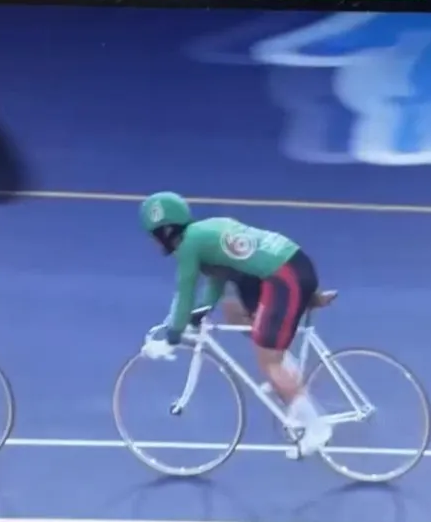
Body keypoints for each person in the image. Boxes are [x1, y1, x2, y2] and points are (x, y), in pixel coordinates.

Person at [139, 191, 332, 457]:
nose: (152, 242)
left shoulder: (189, 246)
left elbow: (184, 291)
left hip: (282, 277)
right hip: (291, 266)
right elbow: (218, 279)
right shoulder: (203, 233)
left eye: (152, 235)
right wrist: (199, 314)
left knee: (269, 362)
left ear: (165, 230)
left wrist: (172, 337)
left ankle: (317, 427)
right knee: (237, 314)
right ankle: (287, 380)